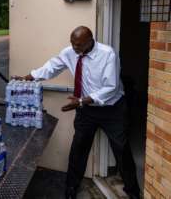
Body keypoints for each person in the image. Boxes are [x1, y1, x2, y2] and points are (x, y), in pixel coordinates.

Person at [15, 26, 140, 199]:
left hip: (112, 110)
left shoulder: (107, 54)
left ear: (90, 41)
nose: (75, 48)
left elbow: (111, 87)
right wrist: (28, 77)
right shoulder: (70, 52)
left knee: (121, 149)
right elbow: (52, 67)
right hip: (86, 110)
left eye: (79, 45)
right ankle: (71, 188)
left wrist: (81, 101)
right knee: (78, 149)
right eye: (72, 43)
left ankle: (132, 191)